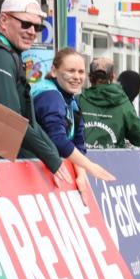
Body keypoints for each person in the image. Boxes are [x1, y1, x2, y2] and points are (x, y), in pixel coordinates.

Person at [0, 0, 70, 184]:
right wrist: (52, 159)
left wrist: (54, 154)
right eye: (26, 24)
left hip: (1, 161)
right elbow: (12, 120)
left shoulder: (9, 55)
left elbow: (28, 121)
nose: (32, 31)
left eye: (37, 27)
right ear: (4, 21)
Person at [32, 48, 116, 197]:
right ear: (54, 71)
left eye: (81, 72)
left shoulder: (71, 99)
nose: (77, 77)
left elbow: (78, 141)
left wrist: (81, 175)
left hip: (52, 173)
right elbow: (57, 139)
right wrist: (90, 166)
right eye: (71, 71)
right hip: (33, 172)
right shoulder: (50, 96)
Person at [77, 57, 140, 149]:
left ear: (89, 77)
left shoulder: (77, 100)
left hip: (79, 156)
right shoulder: (123, 104)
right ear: (113, 76)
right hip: (112, 157)